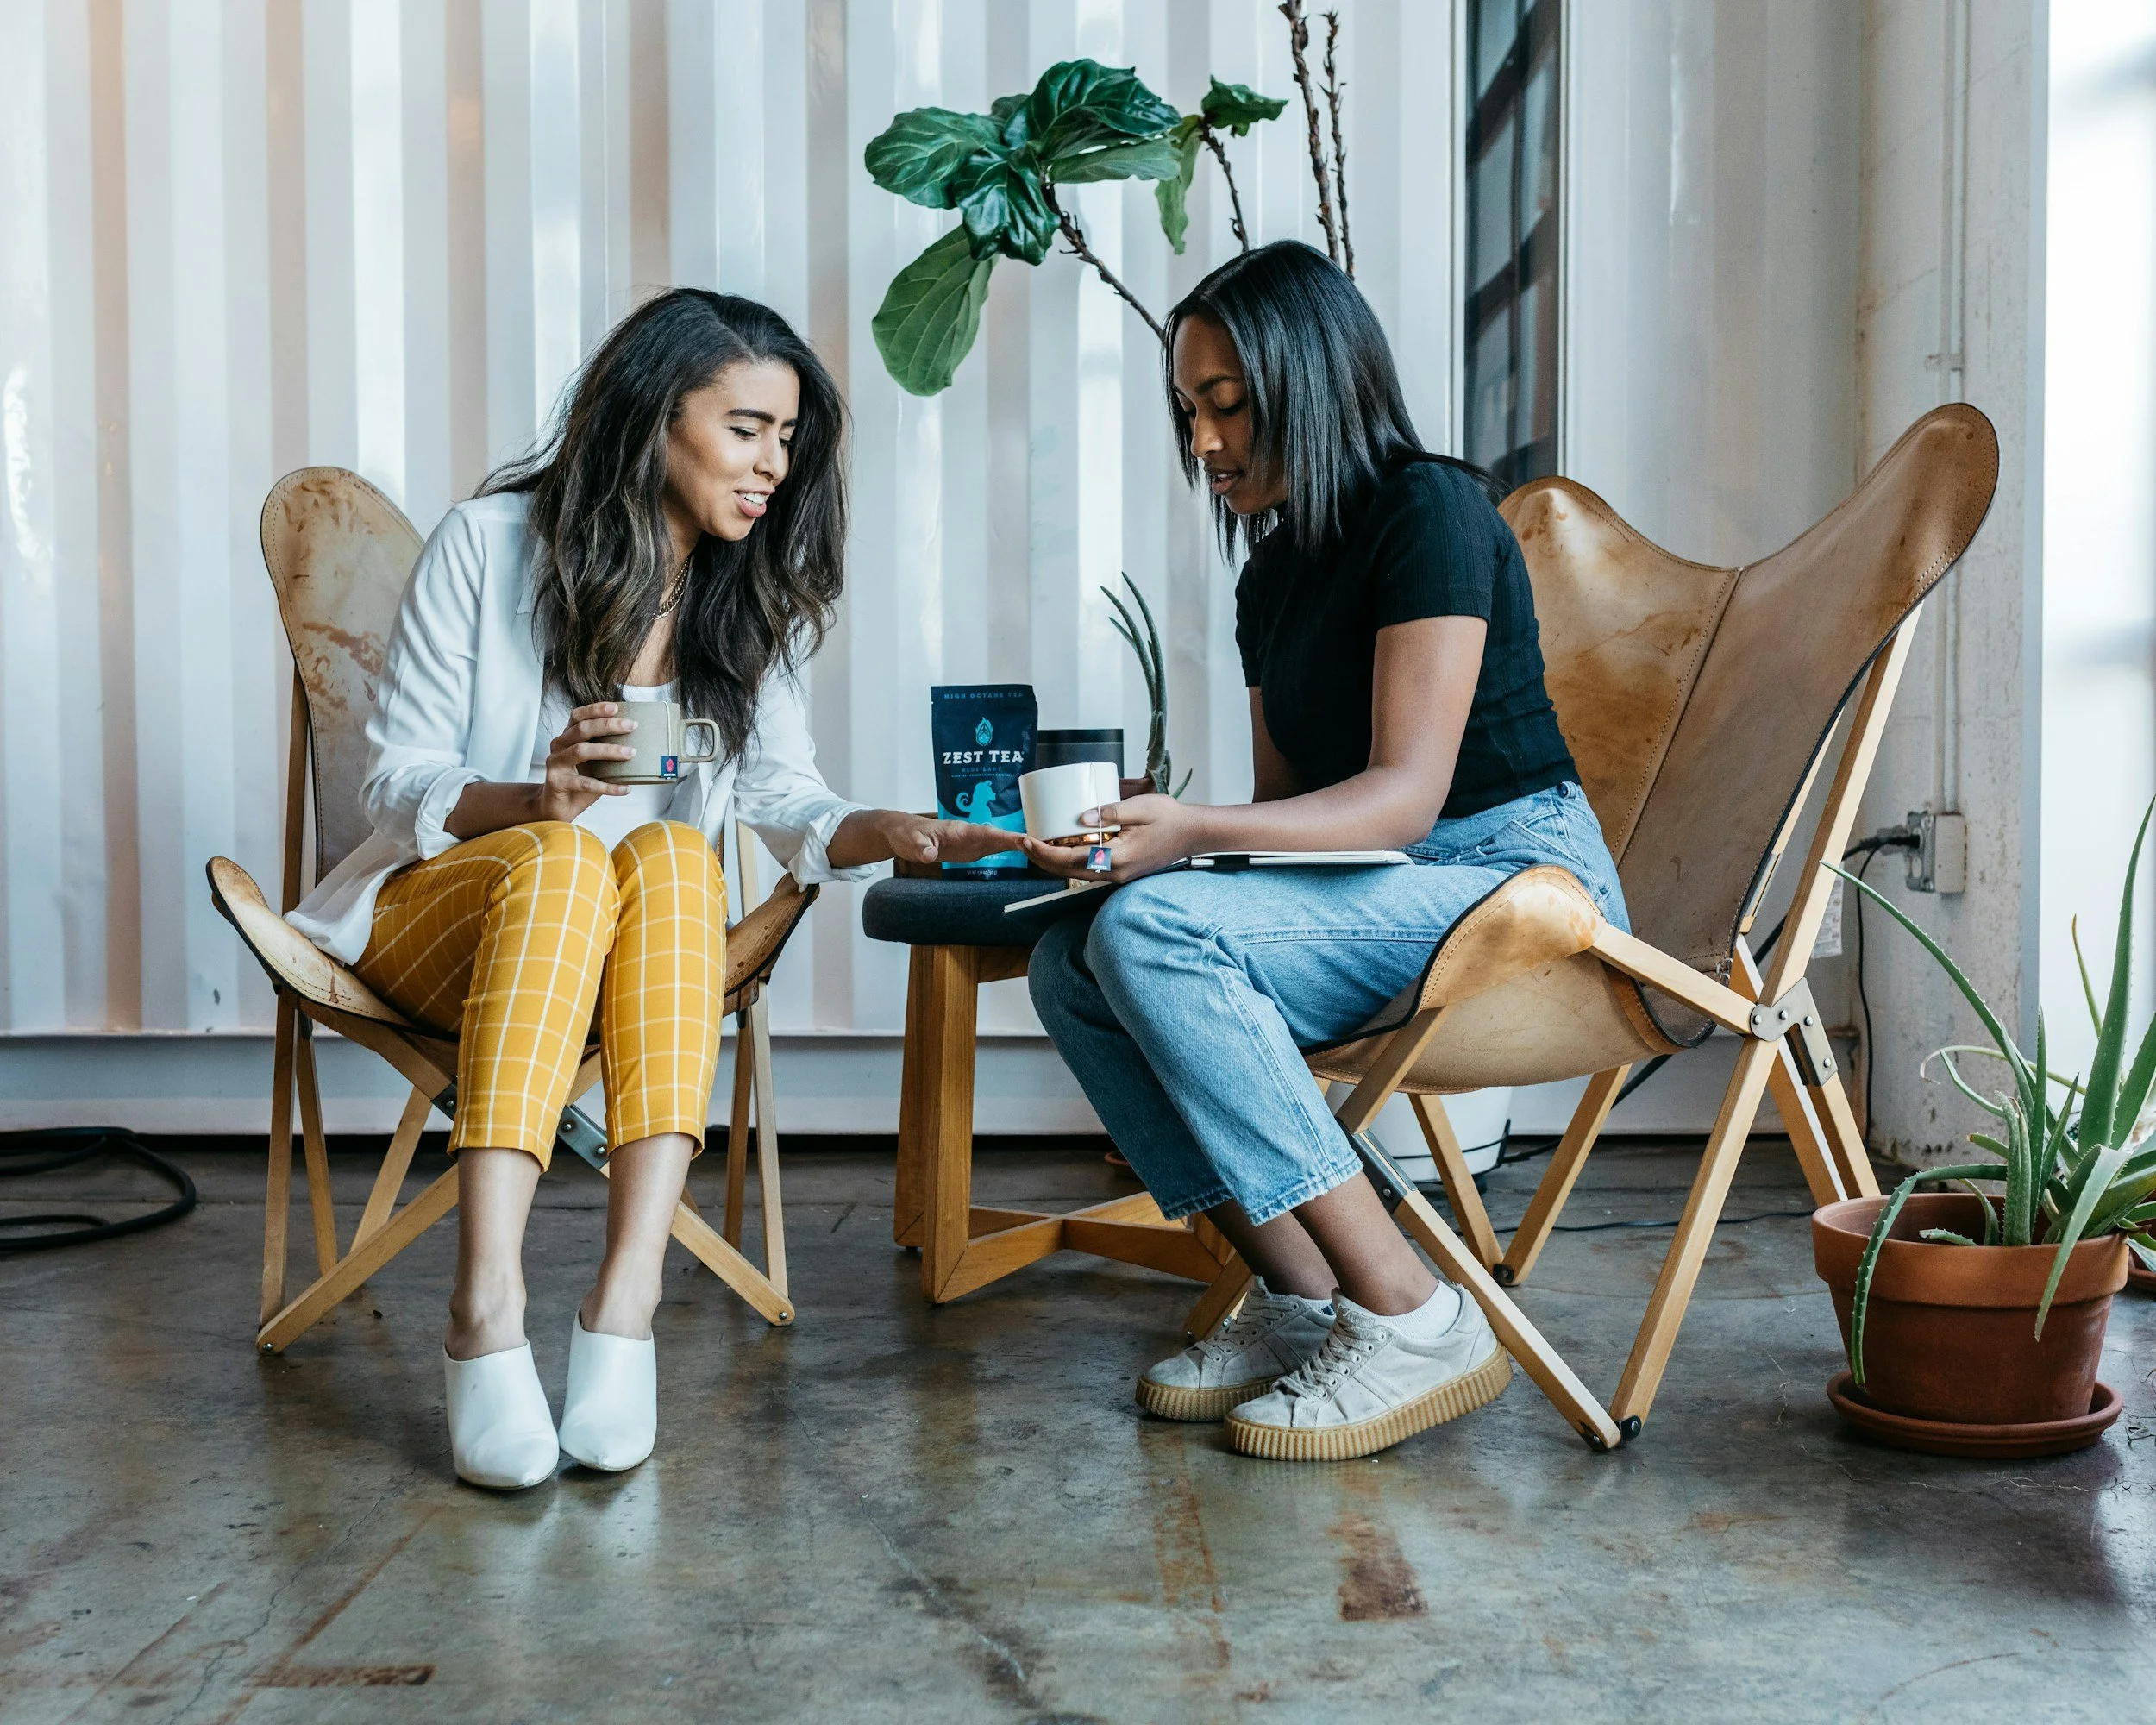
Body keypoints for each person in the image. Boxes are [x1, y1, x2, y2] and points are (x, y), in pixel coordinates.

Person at [289, 290, 1006, 1490]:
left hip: (631, 947)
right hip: (443, 917)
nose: (774, 463)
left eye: (788, 438)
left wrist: (883, 829)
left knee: (674, 856)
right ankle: (486, 1305)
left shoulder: (741, 598)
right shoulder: (490, 544)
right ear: (653, 418)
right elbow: (396, 778)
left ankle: (626, 1306)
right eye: (746, 429)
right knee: (574, 857)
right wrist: (536, 799)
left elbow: (785, 796)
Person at [1021, 242, 1628, 1463]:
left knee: (1152, 927)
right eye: (1190, 412)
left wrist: (1194, 840)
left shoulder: (1431, 510)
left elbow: (1402, 800)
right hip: (1391, 892)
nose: (1204, 442)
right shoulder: (1273, 577)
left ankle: (1412, 1320)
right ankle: (1304, 1298)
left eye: (1228, 406)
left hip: (1519, 887)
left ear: (1310, 375)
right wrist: (1167, 833)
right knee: (1074, 954)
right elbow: (1297, 818)